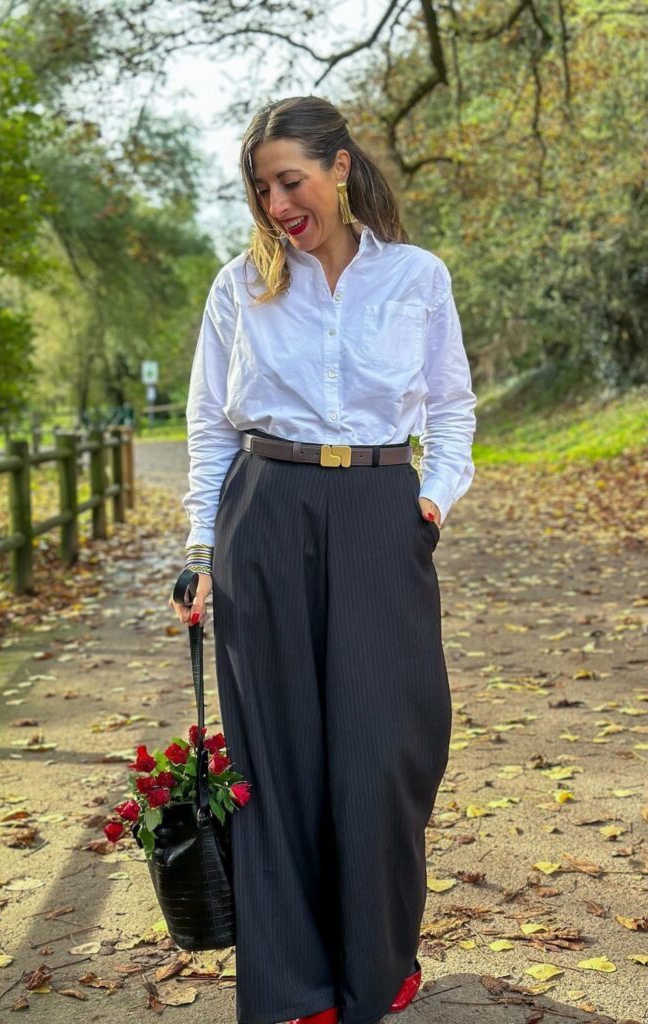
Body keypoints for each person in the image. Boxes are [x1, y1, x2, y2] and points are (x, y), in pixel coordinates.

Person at [169, 95, 477, 1024]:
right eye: (261, 188)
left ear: (339, 170)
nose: (275, 204)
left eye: (289, 181)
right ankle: (296, 988)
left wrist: (434, 495)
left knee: (385, 751)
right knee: (280, 758)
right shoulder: (240, 285)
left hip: (383, 510)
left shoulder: (417, 277)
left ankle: (377, 964)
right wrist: (200, 546)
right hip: (266, 512)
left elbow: (453, 407)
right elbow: (209, 427)